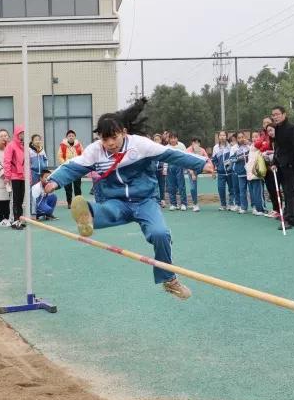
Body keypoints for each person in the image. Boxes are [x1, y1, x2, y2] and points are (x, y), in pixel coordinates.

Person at [39, 99, 214, 300]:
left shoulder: (140, 145)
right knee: (108, 211)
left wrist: (200, 164)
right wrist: (53, 181)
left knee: (160, 233)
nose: (110, 144)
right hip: (116, 200)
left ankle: (169, 280)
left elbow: (171, 154)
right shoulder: (95, 151)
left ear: (123, 132)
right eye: (105, 140)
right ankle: (88, 214)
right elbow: (72, 166)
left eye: (113, 137)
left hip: (145, 200)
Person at [271, 106, 294, 230]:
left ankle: (289, 219)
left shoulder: (292, 129)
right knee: (288, 191)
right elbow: (277, 148)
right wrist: (274, 161)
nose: (275, 116)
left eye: (277, 114)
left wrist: (289, 162)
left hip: (291, 166)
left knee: (289, 192)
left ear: (284, 114)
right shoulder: (277, 129)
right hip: (281, 165)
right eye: (273, 115)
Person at [3, 125, 27, 230]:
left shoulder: (25, 146)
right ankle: (15, 221)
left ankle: (20, 220)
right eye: (21, 133)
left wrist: (28, 176)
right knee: (16, 200)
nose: (22, 135)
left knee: (21, 200)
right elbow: (7, 161)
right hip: (14, 176)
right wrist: (7, 176)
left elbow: (27, 163)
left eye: (24, 133)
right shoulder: (11, 145)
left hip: (23, 176)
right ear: (17, 134)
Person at [258, 122, 280, 218]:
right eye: (268, 131)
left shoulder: (279, 139)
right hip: (268, 167)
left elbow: (280, 151)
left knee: (276, 189)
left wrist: (270, 152)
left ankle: (279, 210)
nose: (270, 132)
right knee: (271, 189)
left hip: (277, 168)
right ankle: (275, 209)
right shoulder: (267, 139)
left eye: (271, 130)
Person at [57, 130, 83, 209]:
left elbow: (83, 154)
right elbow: (59, 156)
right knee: (68, 187)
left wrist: (80, 163)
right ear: (67, 137)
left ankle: (78, 203)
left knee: (77, 187)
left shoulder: (79, 145)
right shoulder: (62, 146)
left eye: (72, 135)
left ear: (75, 137)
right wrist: (64, 164)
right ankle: (69, 203)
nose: (71, 137)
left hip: (77, 168)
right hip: (67, 169)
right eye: (69, 136)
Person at [246, 131, 268, 216]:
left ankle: (261, 209)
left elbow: (264, 146)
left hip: (257, 173)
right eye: (253, 137)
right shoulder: (251, 147)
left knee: (258, 192)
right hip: (250, 173)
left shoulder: (261, 146)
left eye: (257, 137)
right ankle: (256, 207)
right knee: (253, 192)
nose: (255, 139)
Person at [166, 132, 188, 211]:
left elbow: (186, 156)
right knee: (171, 187)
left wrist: (185, 167)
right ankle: (173, 204)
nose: (173, 140)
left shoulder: (181, 146)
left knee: (181, 186)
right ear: (169, 139)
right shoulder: (166, 147)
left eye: (174, 138)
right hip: (170, 168)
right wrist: (165, 170)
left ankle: (183, 203)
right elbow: (165, 159)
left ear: (177, 138)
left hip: (179, 167)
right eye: (171, 138)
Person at [186, 137, 209, 212]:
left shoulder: (202, 150)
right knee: (193, 187)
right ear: (191, 143)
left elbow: (207, 160)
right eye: (194, 142)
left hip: (200, 167)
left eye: (197, 142)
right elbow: (188, 163)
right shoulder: (188, 150)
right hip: (191, 169)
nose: (196, 144)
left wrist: (211, 171)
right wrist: (192, 173)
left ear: (199, 144)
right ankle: (195, 204)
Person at [211, 130, 233, 211]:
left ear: (226, 137)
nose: (222, 137)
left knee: (232, 188)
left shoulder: (231, 146)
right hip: (221, 173)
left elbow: (233, 157)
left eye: (224, 135)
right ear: (218, 137)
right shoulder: (215, 148)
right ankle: (223, 205)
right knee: (221, 188)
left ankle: (231, 204)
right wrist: (215, 168)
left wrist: (231, 166)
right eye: (220, 135)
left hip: (230, 172)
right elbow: (214, 160)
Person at [152, 134, 167, 206]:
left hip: (161, 169)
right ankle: (156, 200)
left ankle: (162, 200)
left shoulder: (163, 149)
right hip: (154, 170)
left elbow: (166, 160)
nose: (156, 141)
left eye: (158, 139)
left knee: (162, 185)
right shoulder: (151, 150)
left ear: (161, 140)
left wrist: (165, 169)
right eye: (155, 140)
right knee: (154, 185)